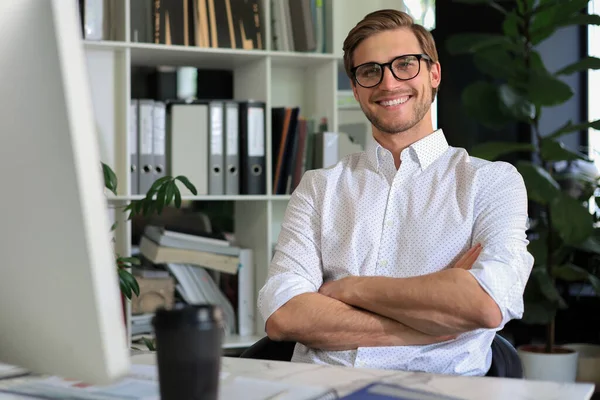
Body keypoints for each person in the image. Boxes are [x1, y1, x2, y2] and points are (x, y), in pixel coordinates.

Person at [257, 9, 534, 376]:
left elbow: (485, 304)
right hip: (320, 388)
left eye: (405, 64)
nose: (388, 84)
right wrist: (436, 324)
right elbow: (284, 314)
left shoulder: (492, 182)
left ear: (434, 73)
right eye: (370, 71)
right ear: (356, 88)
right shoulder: (319, 187)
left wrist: (348, 289)